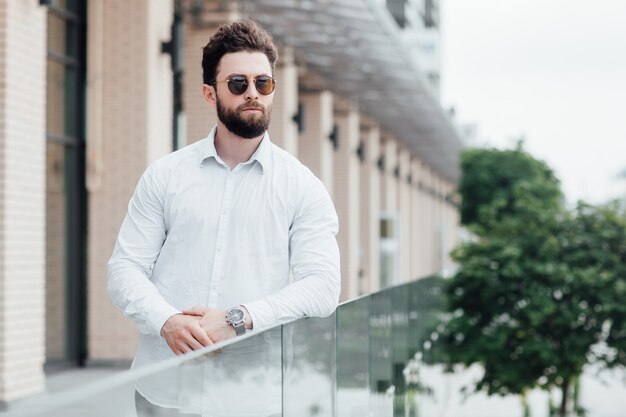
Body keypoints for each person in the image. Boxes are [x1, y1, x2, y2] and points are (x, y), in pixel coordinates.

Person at [107, 20, 341, 416]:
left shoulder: (303, 187)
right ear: (208, 93)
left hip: (251, 396)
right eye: (238, 84)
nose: (253, 94)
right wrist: (166, 321)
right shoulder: (165, 176)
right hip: (165, 390)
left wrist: (238, 319)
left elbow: (322, 286)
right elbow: (125, 269)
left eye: (263, 84)